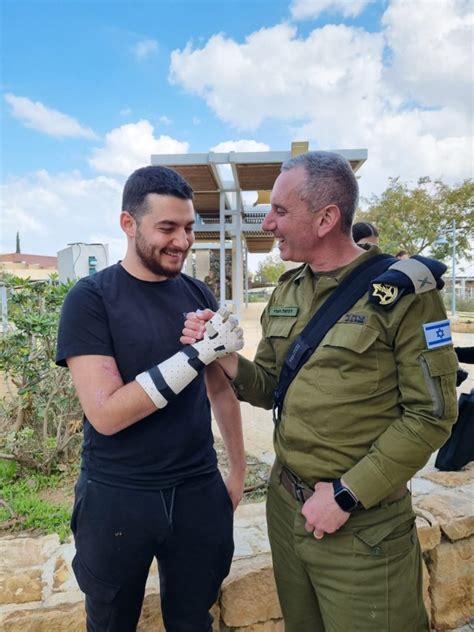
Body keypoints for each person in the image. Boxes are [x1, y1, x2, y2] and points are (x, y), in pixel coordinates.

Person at [182, 151, 458, 631]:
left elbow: (431, 414)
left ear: (328, 218)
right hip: (287, 509)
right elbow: (269, 387)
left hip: (363, 526)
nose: (267, 223)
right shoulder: (287, 291)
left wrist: (348, 495)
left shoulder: (406, 295)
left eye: (281, 212)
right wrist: (222, 354)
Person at [56, 165, 246, 632]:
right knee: (111, 621)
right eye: (167, 228)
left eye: (187, 228)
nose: (182, 241)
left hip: (198, 489)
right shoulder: (91, 299)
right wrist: (196, 353)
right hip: (118, 494)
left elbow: (221, 388)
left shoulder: (198, 291)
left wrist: (237, 471)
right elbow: (105, 414)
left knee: (193, 619)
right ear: (128, 223)